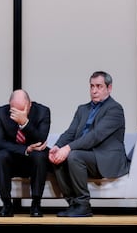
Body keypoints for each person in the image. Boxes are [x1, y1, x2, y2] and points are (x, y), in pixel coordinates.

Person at [49, 71, 129, 217]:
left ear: (109, 88)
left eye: (99, 86)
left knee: (73, 156)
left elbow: (95, 136)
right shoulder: (82, 109)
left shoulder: (115, 109)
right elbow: (70, 133)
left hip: (105, 157)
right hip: (87, 155)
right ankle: (73, 204)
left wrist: (68, 148)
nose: (94, 90)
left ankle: (83, 205)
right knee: (57, 158)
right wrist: (57, 146)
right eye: (92, 86)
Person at [0, 89, 51, 217]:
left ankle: (36, 204)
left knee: (40, 156)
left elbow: (41, 140)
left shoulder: (43, 112)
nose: (18, 114)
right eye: (14, 111)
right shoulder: (0, 113)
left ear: (29, 104)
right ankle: (7, 205)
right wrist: (25, 149)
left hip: (33, 160)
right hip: (13, 159)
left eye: (22, 110)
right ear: (9, 105)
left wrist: (25, 123)